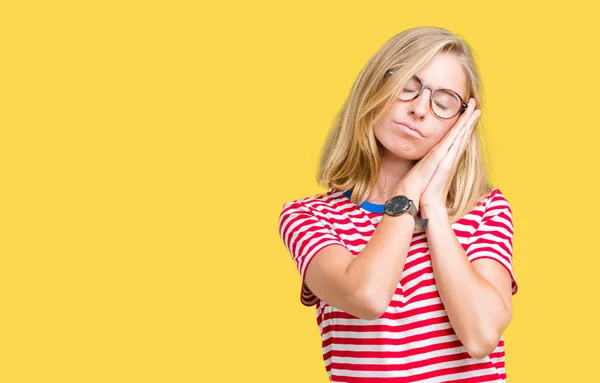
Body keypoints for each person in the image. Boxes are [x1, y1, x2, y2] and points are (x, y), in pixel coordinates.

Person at [277, 26, 518, 383]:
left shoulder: (485, 211)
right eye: (407, 87)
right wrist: (409, 191)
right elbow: (368, 296)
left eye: (444, 102)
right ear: (375, 86)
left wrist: (435, 208)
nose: (419, 109)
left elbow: (481, 336)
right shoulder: (309, 217)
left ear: (461, 122)